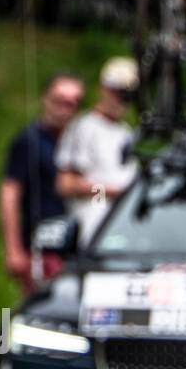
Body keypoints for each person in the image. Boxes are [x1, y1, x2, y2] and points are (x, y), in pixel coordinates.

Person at [0, 72, 83, 289]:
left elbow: (98, 192)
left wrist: (99, 191)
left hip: (81, 249)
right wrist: (13, 249)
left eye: (73, 103)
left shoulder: (81, 144)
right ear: (45, 99)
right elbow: (10, 192)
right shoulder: (29, 141)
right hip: (43, 248)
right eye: (59, 100)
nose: (65, 108)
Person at [55, 57, 138, 244]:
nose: (122, 101)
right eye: (118, 93)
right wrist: (107, 192)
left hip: (125, 228)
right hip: (94, 229)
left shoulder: (126, 132)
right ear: (104, 89)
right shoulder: (85, 127)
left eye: (128, 96)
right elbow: (66, 183)